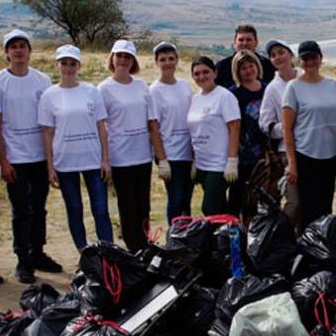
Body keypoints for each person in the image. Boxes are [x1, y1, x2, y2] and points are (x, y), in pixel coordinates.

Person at [0, 29, 61, 284]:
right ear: (6, 53)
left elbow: (50, 122)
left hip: (39, 155)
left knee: (39, 208)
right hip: (15, 157)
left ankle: (38, 251)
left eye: (23, 46)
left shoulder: (42, 80)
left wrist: (52, 160)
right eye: (13, 46)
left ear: (30, 51)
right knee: (21, 210)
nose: (18, 50)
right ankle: (22, 259)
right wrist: (3, 160)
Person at [38, 44, 114, 251]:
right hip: (65, 162)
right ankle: (84, 253)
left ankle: (108, 253)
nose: (68, 68)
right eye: (64, 63)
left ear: (79, 66)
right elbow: (48, 133)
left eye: (72, 64)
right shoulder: (49, 96)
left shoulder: (91, 91)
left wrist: (105, 159)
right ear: (57, 65)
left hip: (92, 160)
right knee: (74, 209)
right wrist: (50, 166)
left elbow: (101, 126)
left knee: (100, 210)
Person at [99, 39, 170, 251]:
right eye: (119, 56)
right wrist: (105, 159)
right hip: (120, 157)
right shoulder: (104, 89)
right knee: (127, 205)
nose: (123, 60)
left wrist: (162, 158)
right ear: (112, 58)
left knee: (143, 206)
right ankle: (134, 248)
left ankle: (145, 243)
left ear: (133, 61)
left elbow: (152, 123)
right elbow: (101, 126)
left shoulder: (141, 86)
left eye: (127, 57)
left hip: (142, 156)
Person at [282, 41, 336, 230]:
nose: (310, 62)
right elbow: (287, 128)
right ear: (299, 61)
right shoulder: (293, 87)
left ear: (320, 58)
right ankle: (307, 251)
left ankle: (323, 248)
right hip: (305, 154)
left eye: (313, 57)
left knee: (326, 206)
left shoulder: (331, 84)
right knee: (307, 208)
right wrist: (292, 163)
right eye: (305, 58)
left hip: (330, 155)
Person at [186, 56, 241, 215]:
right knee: (220, 208)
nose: (201, 77)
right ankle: (226, 238)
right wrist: (194, 159)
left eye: (206, 72)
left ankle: (223, 236)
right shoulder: (195, 99)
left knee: (210, 208)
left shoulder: (224, 96)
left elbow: (235, 127)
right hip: (202, 163)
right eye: (197, 74)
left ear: (215, 73)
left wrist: (231, 160)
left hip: (219, 164)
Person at [150, 41, 194, 223]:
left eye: (171, 58)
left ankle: (188, 238)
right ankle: (175, 237)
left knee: (186, 199)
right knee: (175, 199)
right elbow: (153, 126)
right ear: (156, 62)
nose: (167, 63)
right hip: (170, 153)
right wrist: (162, 159)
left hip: (188, 152)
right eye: (163, 59)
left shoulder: (184, 86)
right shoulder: (154, 91)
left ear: (177, 60)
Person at [259, 39, 300, 221]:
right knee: (294, 201)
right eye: (273, 55)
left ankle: (303, 242)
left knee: (310, 200)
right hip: (286, 151)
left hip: (313, 148)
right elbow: (265, 124)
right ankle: (279, 239)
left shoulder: (305, 78)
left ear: (290, 54)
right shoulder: (272, 88)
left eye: (281, 52)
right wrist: (286, 127)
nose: (278, 57)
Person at [228, 49, 269, 218]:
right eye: (243, 68)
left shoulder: (268, 89)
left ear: (257, 66)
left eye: (250, 66)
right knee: (238, 200)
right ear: (237, 72)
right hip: (243, 155)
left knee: (263, 201)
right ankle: (236, 239)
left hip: (265, 155)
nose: (248, 71)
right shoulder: (233, 94)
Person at [214, 24, 276, 88]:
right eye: (241, 40)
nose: (245, 43)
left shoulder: (268, 66)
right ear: (235, 43)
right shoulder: (222, 67)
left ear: (256, 42)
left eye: (249, 40)